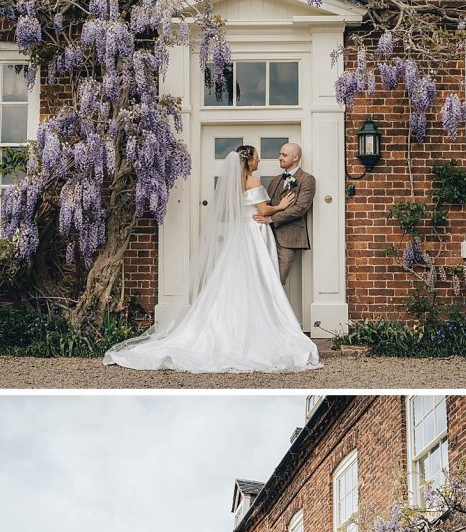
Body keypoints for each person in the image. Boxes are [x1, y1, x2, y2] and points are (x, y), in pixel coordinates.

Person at [103, 148, 321, 373]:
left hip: (242, 232)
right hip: (254, 231)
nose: (260, 160)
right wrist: (281, 206)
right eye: (256, 157)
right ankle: (254, 327)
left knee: (237, 279)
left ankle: (236, 325)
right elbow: (263, 209)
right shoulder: (254, 181)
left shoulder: (236, 182)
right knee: (258, 278)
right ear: (249, 161)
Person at [252, 143, 314, 285]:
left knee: (278, 280)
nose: (279, 158)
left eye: (284, 155)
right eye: (280, 154)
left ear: (295, 157)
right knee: (261, 277)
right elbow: (267, 204)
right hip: (266, 235)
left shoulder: (307, 179)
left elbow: (300, 208)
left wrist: (272, 219)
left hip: (289, 236)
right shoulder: (275, 180)